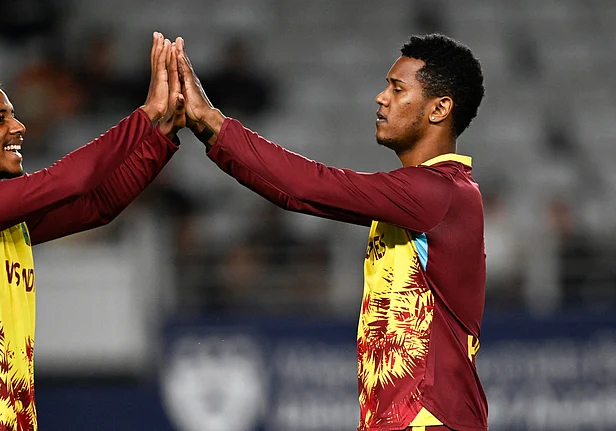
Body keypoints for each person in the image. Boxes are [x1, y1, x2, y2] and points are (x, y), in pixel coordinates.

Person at [176, 34, 487, 431]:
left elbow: (306, 187)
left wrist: (211, 122)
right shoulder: (425, 197)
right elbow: (300, 193)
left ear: (439, 108)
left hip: (429, 420)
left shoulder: (437, 193)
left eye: (397, 89)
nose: (381, 98)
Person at [0, 32, 185, 430]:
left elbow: (97, 206)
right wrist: (146, 114)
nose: (18, 126)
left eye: (13, 115)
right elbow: (70, 180)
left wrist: (162, 136)